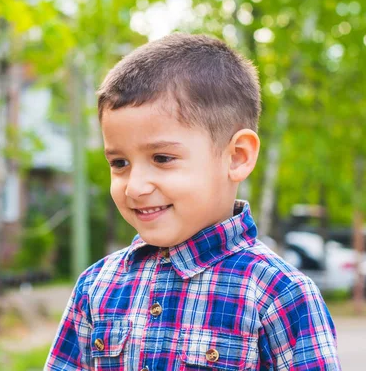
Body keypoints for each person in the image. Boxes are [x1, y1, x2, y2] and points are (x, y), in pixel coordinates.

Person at [45, 34, 340, 370]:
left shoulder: (280, 295)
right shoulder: (95, 287)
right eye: (120, 163)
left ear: (236, 157)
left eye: (162, 158)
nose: (135, 187)